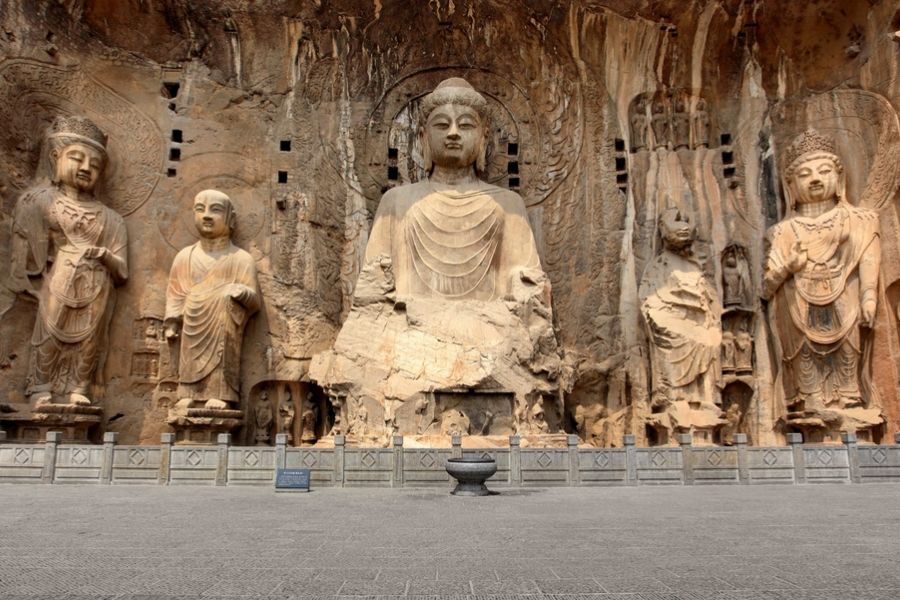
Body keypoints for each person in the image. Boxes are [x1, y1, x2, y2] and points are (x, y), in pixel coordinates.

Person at [762, 130, 881, 435]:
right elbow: (765, 288)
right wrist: (788, 266)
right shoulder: (782, 232)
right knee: (803, 354)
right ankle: (809, 402)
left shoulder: (861, 219)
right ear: (791, 186)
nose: (815, 179)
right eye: (804, 174)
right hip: (798, 306)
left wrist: (869, 296)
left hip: (847, 299)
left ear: (839, 178)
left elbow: (869, 259)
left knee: (849, 349)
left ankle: (851, 401)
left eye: (824, 171)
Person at [8, 115, 128, 406]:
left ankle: (79, 387)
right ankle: (40, 386)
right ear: (55, 158)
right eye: (77, 158)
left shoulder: (111, 219)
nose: (86, 168)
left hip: (96, 287)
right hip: (56, 281)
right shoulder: (38, 202)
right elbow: (22, 260)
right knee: (48, 334)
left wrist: (103, 256)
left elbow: (123, 270)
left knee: (91, 340)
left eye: (95, 164)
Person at [164, 189, 259, 410]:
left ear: (231, 219)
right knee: (188, 358)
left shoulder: (241, 259)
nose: (207, 215)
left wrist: (240, 292)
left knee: (224, 311)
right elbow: (175, 293)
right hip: (191, 326)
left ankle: (221, 393)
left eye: (215, 210)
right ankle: (187, 392)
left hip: (224, 327)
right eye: (200, 209)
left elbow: (254, 302)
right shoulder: (184, 257)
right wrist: (171, 320)